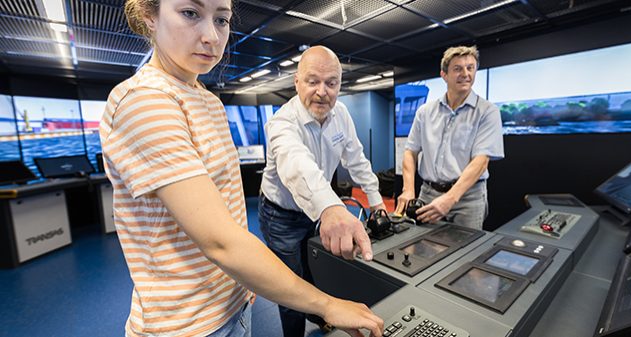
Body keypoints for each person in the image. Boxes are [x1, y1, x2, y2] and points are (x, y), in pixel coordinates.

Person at [100, 1, 384, 336]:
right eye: (190, 13)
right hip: (189, 325)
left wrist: (242, 285)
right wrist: (329, 305)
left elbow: (228, 213)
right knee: (295, 293)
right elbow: (223, 240)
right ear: (150, 15)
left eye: (221, 19)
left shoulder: (207, 100)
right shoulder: (146, 101)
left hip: (231, 303)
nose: (211, 36)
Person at [259, 45, 386, 337]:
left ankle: (320, 317)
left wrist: (377, 201)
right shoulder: (282, 123)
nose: (322, 91)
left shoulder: (340, 114)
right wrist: (331, 208)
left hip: (316, 213)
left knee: (316, 270)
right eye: (313, 81)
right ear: (297, 82)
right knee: (290, 285)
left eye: (331, 83)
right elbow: (297, 165)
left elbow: (356, 158)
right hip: (281, 215)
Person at [394, 45, 504, 229]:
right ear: (444, 75)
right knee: (424, 251)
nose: (465, 73)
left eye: (470, 68)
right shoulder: (425, 112)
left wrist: (450, 198)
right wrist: (408, 189)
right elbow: (410, 151)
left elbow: (481, 162)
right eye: (457, 68)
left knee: (463, 253)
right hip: (428, 194)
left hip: (468, 200)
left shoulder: (487, 112)